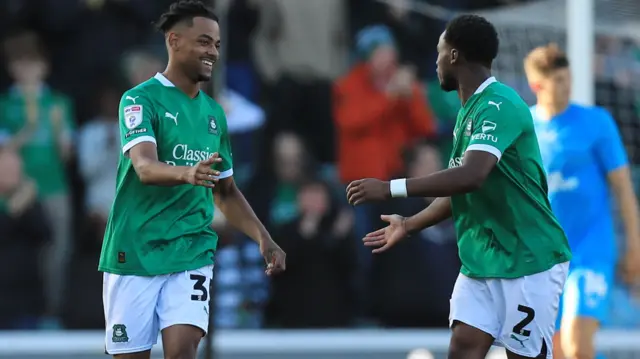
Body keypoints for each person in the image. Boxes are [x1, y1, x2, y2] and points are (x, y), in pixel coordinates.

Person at [346, 14, 572, 359]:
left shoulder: (500, 105)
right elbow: (460, 188)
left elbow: (471, 176)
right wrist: (409, 224)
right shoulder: (467, 114)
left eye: (439, 52)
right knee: (463, 346)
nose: (435, 62)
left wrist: (390, 188)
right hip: (483, 259)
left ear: (453, 56)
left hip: (529, 259)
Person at [98, 1, 286, 358]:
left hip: (190, 249)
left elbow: (226, 191)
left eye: (216, 44)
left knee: (183, 351)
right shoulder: (138, 100)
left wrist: (264, 238)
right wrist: (188, 173)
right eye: (203, 42)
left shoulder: (214, 114)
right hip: (135, 250)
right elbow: (144, 167)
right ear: (174, 41)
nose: (212, 52)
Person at [524, 43, 640, 359]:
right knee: (556, 350)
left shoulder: (596, 122)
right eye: (557, 81)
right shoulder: (524, 129)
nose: (567, 86)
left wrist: (635, 246)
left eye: (567, 77)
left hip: (592, 249)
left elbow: (623, 188)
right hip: (546, 256)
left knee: (577, 343)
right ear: (537, 86)